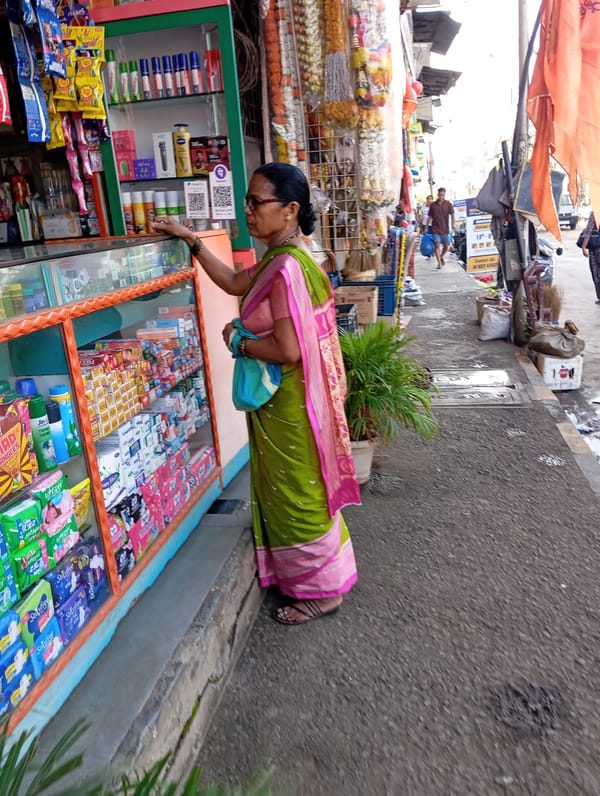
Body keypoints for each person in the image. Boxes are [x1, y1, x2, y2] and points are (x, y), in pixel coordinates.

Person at [152, 163, 361, 625]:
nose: (247, 211)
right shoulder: (285, 258)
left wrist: (238, 341)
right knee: (301, 486)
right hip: (295, 397)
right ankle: (320, 574)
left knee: (296, 491)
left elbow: (286, 349)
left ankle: (321, 591)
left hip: (290, 400)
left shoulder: (285, 270)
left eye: (256, 203)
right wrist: (192, 241)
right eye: (246, 201)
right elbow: (232, 282)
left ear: (289, 210)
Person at [428, 187, 455, 269]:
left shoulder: (448, 204)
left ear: (444, 195)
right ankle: (439, 263)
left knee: (446, 246)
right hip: (435, 229)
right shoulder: (433, 205)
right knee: (437, 245)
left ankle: (441, 256)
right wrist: (425, 227)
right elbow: (430, 217)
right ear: (437, 195)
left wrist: (453, 224)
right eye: (440, 195)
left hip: (445, 229)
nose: (441, 197)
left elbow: (453, 214)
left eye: (442, 195)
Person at [581, 210, 600, 304]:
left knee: (596, 271)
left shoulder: (595, 213)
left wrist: (584, 247)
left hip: (596, 249)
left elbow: (588, 231)